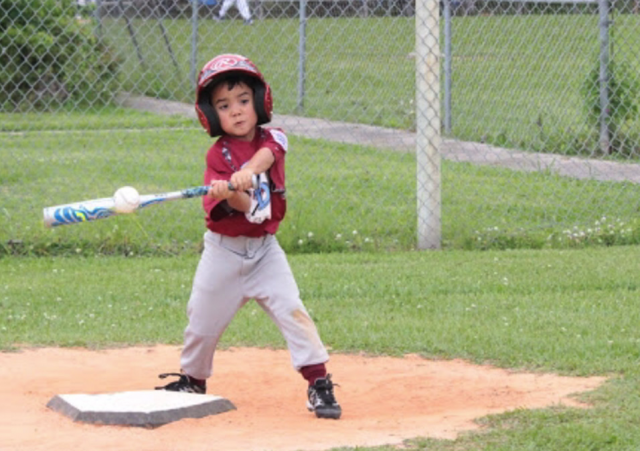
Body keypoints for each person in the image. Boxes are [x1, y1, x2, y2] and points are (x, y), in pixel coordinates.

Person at [155, 54, 341, 420]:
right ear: (211, 114)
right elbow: (248, 207)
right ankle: (194, 380)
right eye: (224, 106)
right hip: (222, 254)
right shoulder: (215, 156)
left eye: (243, 100)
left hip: (265, 253)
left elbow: (266, 163)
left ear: (259, 101)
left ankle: (318, 383)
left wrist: (247, 172)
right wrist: (227, 191)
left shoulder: (274, 138)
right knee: (201, 320)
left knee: (293, 310)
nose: (237, 111)